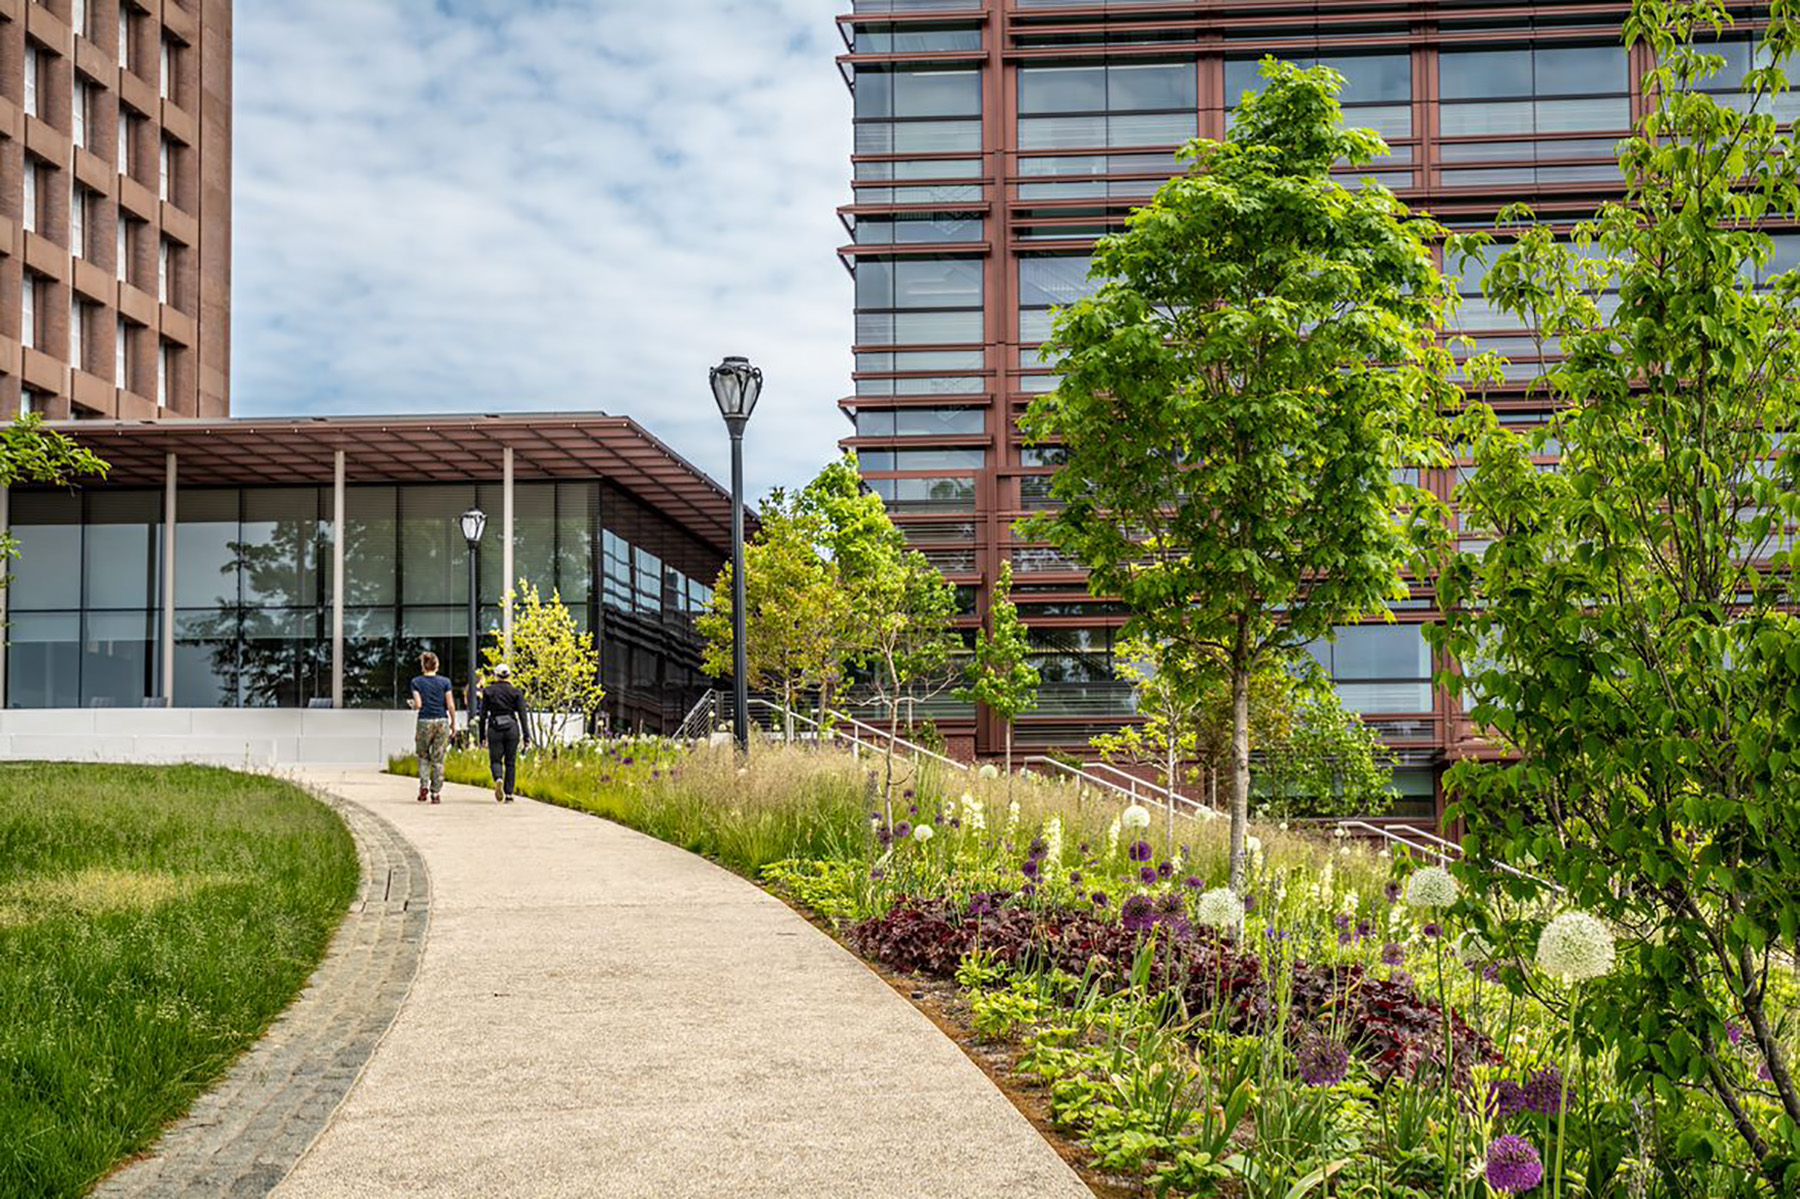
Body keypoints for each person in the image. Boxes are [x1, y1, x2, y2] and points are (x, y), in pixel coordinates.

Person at [478, 663, 530, 804]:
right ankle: (509, 794)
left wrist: (481, 735)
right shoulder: (516, 692)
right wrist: (526, 736)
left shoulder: (488, 691)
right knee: (510, 762)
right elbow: (523, 715)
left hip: (495, 728)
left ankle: (498, 778)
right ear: (509, 676)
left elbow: (482, 715)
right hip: (512, 728)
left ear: (495, 675)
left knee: (495, 760)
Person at [408, 652, 456, 804]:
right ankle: (435, 793)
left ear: (423, 666)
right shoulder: (445, 682)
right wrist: (453, 723)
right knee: (438, 759)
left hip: (424, 721)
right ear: (437, 665)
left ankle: (423, 786)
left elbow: (418, 705)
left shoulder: (416, 682)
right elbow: (450, 705)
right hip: (442, 721)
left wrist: (412, 705)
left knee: (423, 755)